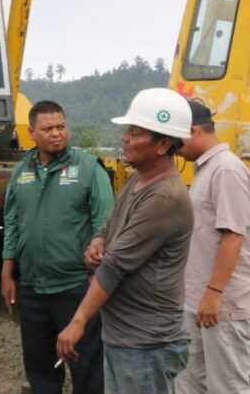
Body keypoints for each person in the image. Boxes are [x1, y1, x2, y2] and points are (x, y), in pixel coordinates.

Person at [56, 88, 194, 394]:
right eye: (127, 131)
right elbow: (110, 223)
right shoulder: (138, 179)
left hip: (147, 343)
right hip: (126, 337)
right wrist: (98, 240)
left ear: (163, 145)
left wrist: (78, 321)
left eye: (134, 132)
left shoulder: (165, 197)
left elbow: (115, 266)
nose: (125, 138)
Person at [2, 100, 114, 394]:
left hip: (76, 288)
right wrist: (7, 273)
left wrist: (97, 276)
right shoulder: (21, 173)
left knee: (86, 367)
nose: (56, 134)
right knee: (39, 369)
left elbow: (106, 224)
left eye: (61, 127)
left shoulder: (88, 168)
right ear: (31, 132)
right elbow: (11, 225)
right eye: (48, 128)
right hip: (32, 290)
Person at [174, 100, 250, 394]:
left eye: (173, 140)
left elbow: (233, 236)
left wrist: (214, 293)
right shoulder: (207, 168)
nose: (172, 148)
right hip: (201, 301)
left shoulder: (226, 170)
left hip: (224, 304)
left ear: (191, 131)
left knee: (226, 387)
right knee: (190, 381)